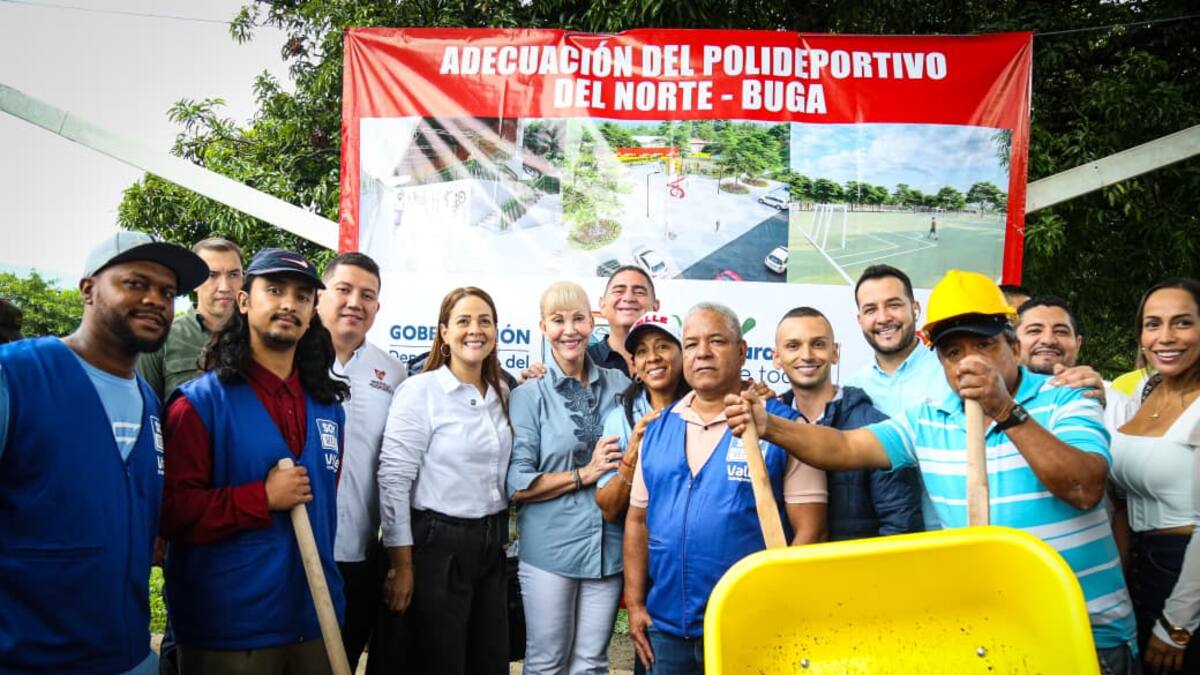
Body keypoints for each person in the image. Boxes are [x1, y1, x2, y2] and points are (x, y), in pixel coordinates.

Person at [725, 270, 1138, 673]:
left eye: (984, 345)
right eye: (953, 353)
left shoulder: (1066, 397)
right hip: (989, 636)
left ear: (1014, 347)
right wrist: (769, 425)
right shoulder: (927, 420)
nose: (969, 362)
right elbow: (844, 446)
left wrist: (1005, 410)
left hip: (1083, 634)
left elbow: (1084, 488)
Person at [0, 231, 206, 673]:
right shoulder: (17, 376)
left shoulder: (151, 403)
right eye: (135, 283)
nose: (155, 300)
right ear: (88, 289)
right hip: (27, 658)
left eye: (167, 292)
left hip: (128, 655)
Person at [160, 248, 349, 674]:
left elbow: (324, 506)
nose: (289, 304)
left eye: (302, 296)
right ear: (244, 302)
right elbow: (170, 512)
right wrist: (260, 498)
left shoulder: (328, 409)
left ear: (312, 312)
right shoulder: (198, 406)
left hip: (316, 620)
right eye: (275, 290)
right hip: (230, 630)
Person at [624, 303, 827, 674]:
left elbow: (811, 531)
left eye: (716, 341)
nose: (702, 352)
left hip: (748, 625)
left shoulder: (784, 428)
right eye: (691, 344)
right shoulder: (657, 430)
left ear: (742, 351)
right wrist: (635, 605)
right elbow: (637, 522)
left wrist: (776, 606)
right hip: (666, 630)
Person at [377, 286, 513, 675]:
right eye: (463, 321)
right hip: (435, 549)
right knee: (437, 663)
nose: (475, 330)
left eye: (485, 321)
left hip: (490, 548)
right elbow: (393, 480)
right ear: (444, 332)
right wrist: (401, 566)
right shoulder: (420, 391)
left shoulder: (502, 392)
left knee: (488, 662)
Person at [506, 281, 630, 674]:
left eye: (578, 318)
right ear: (543, 327)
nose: (569, 330)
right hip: (550, 551)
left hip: (608, 550)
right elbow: (517, 482)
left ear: (592, 323)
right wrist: (585, 474)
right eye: (558, 320)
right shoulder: (529, 394)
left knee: (592, 663)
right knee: (548, 662)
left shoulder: (621, 385)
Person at [316, 252, 405, 672]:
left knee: (343, 660)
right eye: (344, 290)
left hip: (359, 553)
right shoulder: (290, 358)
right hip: (295, 551)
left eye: (367, 295)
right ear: (320, 296)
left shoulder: (392, 373)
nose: (355, 302)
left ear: (377, 307)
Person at [1109, 279, 1200, 673]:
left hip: (1186, 577)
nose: (1165, 337)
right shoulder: (1148, 389)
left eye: (1183, 323)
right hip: (1137, 570)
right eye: (1153, 324)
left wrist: (1179, 623)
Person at [774, 306, 924, 540]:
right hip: (785, 563)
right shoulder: (771, 423)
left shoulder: (875, 426)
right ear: (776, 357)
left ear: (835, 353)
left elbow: (900, 527)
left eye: (818, 344)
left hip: (859, 564)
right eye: (793, 346)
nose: (807, 355)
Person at [845, 264, 945, 528]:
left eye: (894, 305)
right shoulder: (853, 388)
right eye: (871, 310)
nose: (883, 318)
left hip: (950, 536)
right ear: (860, 320)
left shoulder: (950, 372)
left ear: (915, 308)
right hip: (887, 540)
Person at [594, 310, 691, 524]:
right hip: (639, 537)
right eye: (641, 351)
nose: (652, 357)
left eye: (663, 346)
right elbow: (609, 510)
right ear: (635, 364)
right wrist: (632, 454)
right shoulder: (620, 419)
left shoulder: (704, 407)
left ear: (684, 353)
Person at [138, 237, 244, 401]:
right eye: (212, 275)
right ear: (195, 280)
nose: (224, 287)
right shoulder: (160, 338)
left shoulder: (259, 337)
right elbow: (146, 407)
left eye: (233, 274)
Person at [522, 265, 659, 381]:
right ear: (602, 305)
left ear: (655, 306)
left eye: (639, 292)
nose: (628, 298)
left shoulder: (667, 362)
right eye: (619, 291)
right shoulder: (580, 364)